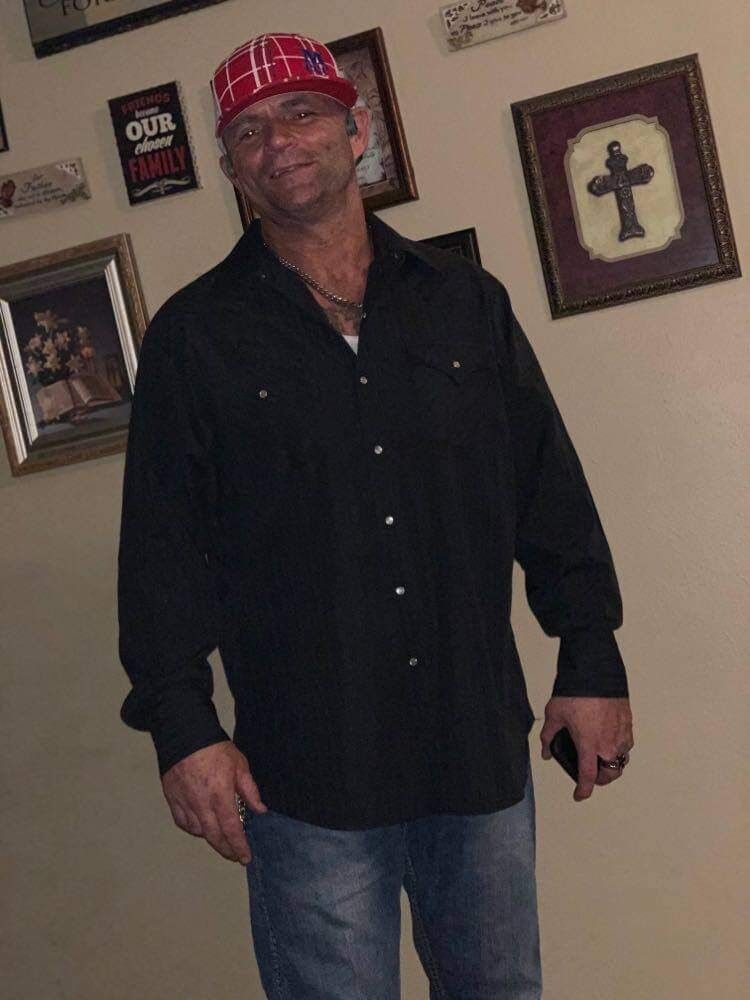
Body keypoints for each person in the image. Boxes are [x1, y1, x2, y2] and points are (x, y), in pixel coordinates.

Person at [117, 31, 634, 1000]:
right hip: (304, 775)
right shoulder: (194, 339)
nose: (278, 141)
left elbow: (549, 495)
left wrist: (591, 659)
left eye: (301, 112)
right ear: (232, 170)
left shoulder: (465, 303)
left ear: (356, 131)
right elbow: (162, 554)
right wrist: (184, 731)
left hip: (475, 750)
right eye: (248, 132)